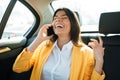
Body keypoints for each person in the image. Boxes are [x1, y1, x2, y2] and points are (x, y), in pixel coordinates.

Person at [13, 8, 105, 80]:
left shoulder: (87, 53)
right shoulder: (43, 46)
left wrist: (99, 61)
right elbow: (18, 68)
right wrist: (38, 40)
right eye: (55, 18)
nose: (58, 20)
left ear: (73, 24)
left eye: (64, 17)